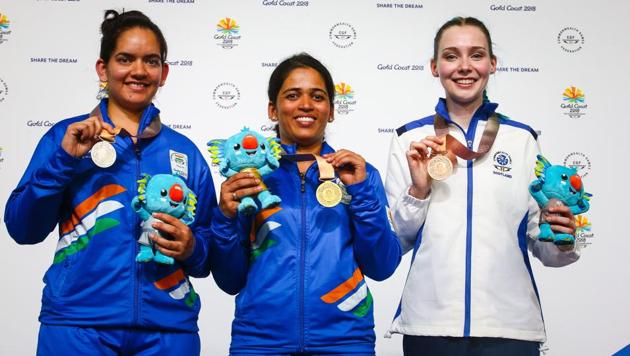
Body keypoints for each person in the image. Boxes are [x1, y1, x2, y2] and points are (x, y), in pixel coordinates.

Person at [4, 10, 216, 355]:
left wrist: (192, 247)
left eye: (150, 61)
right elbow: (22, 228)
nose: (138, 70)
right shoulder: (65, 137)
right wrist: (64, 161)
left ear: (163, 73)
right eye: (125, 59)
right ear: (103, 69)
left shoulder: (185, 152)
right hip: (78, 327)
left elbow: (209, 255)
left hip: (168, 330)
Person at [385, 17, 579, 356]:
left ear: (492, 64)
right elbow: (396, 240)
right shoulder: (409, 139)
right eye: (451, 56)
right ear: (434, 66)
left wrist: (563, 239)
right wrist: (419, 190)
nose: (464, 67)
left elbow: (544, 247)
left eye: (476, 55)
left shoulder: (522, 139)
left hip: (510, 327)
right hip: (430, 325)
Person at [208, 53, 402, 355]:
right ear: (273, 109)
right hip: (260, 342)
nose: (306, 105)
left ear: (332, 110)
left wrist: (362, 193)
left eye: (317, 96)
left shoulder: (358, 175)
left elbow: (383, 266)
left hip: (345, 341)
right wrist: (224, 217)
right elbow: (229, 279)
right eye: (292, 95)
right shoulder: (250, 179)